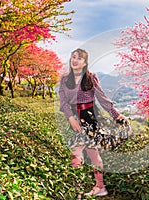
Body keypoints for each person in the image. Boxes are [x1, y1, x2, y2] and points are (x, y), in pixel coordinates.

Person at [59, 48, 125, 197]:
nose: (75, 60)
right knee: (91, 153)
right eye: (73, 57)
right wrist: (70, 118)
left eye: (79, 58)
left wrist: (116, 114)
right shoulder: (64, 79)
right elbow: (63, 103)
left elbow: (102, 98)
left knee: (77, 152)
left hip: (90, 118)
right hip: (74, 118)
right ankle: (98, 187)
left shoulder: (91, 78)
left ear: (85, 62)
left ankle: (79, 189)